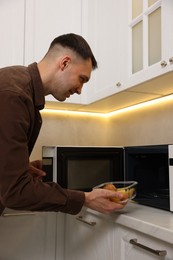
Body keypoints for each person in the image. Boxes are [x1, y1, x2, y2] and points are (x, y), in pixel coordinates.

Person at [0, 33, 126, 216]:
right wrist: (85, 198)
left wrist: (17, 166)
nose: (80, 90)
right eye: (82, 79)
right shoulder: (15, 95)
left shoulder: (18, 84)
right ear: (64, 63)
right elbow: (15, 192)